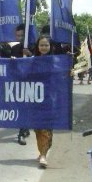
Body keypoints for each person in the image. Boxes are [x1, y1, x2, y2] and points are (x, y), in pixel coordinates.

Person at [32, 35, 55, 168]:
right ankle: (41, 151)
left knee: (46, 128)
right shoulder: (33, 61)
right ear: (38, 47)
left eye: (46, 45)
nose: (44, 47)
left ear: (50, 46)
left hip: (50, 99)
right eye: (41, 45)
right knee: (38, 128)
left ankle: (44, 155)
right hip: (35, 98)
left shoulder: (56, 61)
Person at [10, 23, 32, 145]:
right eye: (18, 35)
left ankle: (22, 133)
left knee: (26, 108)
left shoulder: (33, 47)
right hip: (18, 83)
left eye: (22, 35)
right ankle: (24, 129)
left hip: (31, 83)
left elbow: (41, 62)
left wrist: (29, 54)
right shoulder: (14, 49)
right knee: (21, 108)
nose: (20, 38)